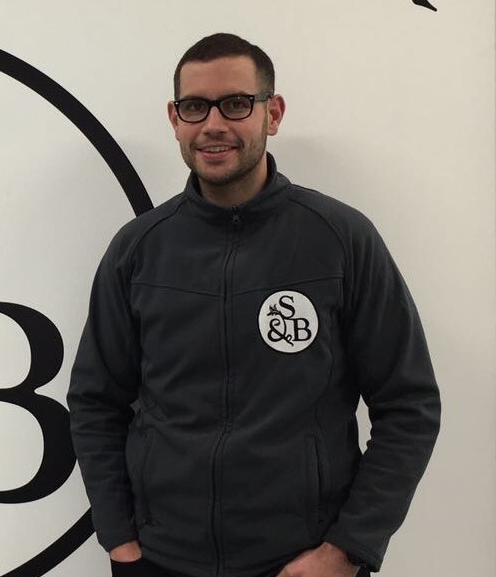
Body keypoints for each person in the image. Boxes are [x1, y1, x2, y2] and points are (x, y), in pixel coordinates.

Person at [67, 33, 439, 577]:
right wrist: (119, 540)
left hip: (303, 562)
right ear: (175, 118)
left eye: (236, 103)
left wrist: (348, 548)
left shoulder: (341, 239)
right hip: (162, 559)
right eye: (195, 107)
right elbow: (95, 401)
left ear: (273, 112)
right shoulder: (139, 248)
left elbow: (409, 405)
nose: (213, 124)